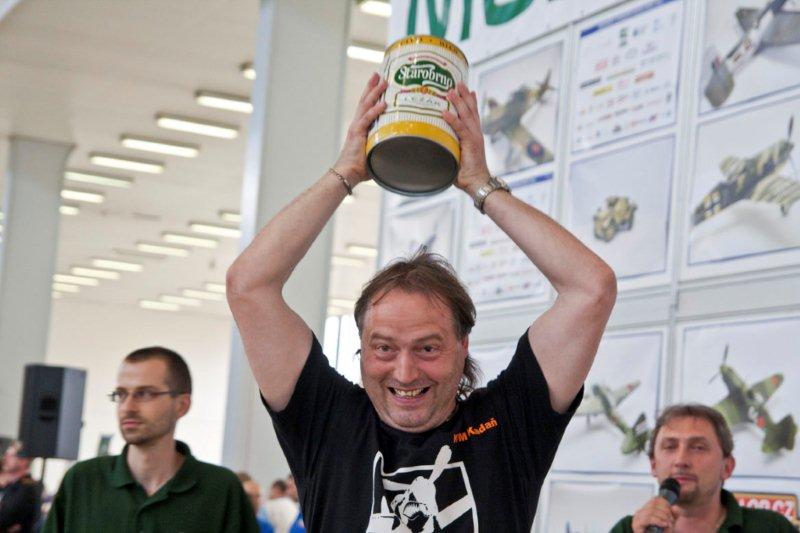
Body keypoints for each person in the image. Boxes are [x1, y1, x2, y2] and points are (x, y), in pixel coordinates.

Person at [226, 74, 617, 530]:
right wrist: (345, 173)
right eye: (384, 348)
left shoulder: (509, 425)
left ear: (462, 345)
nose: (405, 372)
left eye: (428, 348)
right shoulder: (327, 422)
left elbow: (592, 287)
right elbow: (248, 285)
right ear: (362, 348)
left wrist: (481, 186)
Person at [43, 346, 258, 532]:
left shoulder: (221, 489)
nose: (127, 407)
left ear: (181, 405)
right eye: (121, 394)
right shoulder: (82, 481)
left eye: (145, 394)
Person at [610, 404, 796, 532]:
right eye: (670, 447)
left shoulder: (771, 528)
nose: (681, 460)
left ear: (727, 467)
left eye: (698, 447)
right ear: (653, 465)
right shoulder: (629, 529)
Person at [0, 441, 42, 533]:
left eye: (10, 456)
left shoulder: (29, 487)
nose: (5, 458)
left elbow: (6, 517)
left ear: (23, 461)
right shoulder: (8, 485)